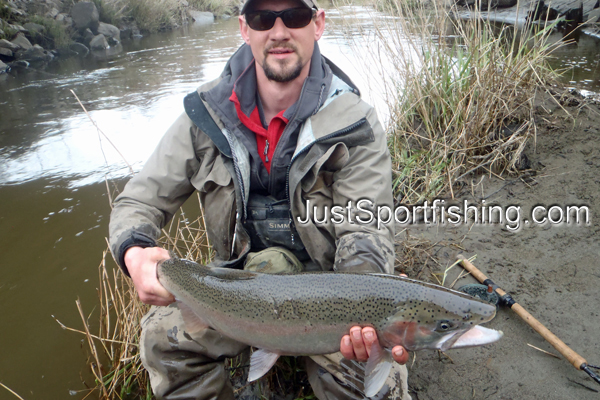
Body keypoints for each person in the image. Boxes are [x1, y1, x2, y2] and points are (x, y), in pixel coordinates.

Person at [109, 0, 411, 398]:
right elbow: (139, 202)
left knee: (376, 385)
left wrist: (365, 312)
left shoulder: (354, 122)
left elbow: (365, 228)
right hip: (233, 293)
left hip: (327, 293)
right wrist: (135, 252)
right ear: (244, 28)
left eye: (296, 16)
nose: (280, 31)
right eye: (263, 18)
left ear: (318, 24)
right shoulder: (204, 116)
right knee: (161, 339)